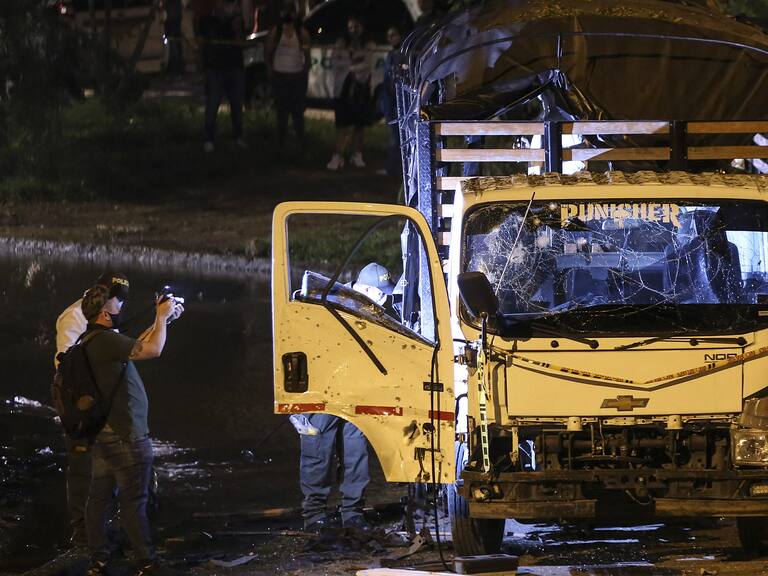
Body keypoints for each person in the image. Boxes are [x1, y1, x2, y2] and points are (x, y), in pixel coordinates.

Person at [81, 284, 183, 575]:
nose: (120, 307)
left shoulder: (92, 339)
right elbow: (152, 350)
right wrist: (161, 320)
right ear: (104, 312)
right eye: (116, 303)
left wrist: (162, 320)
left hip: (105, 433)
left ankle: (98, 560)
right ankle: (147, 562)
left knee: (98, 499)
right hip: (126, 435)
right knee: (134, 501)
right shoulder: (106, 340)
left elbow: (135, 346)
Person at [294, 263, 395, 532]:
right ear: (365, 289)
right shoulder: (323, 303)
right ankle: (314, 516)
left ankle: (352, 513)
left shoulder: (374, 309)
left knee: (356, 453)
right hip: (320, 393)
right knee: (317, 455)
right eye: (381, 294)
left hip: (357, 394)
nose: (384, 300)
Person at [54, 272, 130, 552]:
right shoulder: (74, 317)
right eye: (114, 297)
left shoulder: (108, 319)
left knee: (105, 471)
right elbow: (66, 364)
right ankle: (82, 537)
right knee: (82, 472)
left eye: (121, 299)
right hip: (82, 408)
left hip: (104, 408)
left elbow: (125, 353)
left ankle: (102, 532)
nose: (118, 304)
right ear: (100, 293)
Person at [326, 15, 374, 171]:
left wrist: (351, 66)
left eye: (357, 26)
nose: (354, 30)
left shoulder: (368, 44)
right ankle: (338, 155)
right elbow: (334, 61)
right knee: (342, 124)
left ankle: (357, 154)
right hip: (343, 88)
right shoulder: (341, 43)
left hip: (361, 87)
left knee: (359, 124)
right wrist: (351, 63)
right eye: (351, 27)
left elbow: (367, 64)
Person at [198, 0, 247, 153]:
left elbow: (242, 44)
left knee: (237, 105)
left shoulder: (236, 22)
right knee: (212, 105)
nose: (227, 8)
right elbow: (202, 45)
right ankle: (208, 139)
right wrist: (203, 67)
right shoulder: (207, 21)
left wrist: (237, 29)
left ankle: (237, 137)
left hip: (235, 68)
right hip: (215, 69)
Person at [266, 2, 309, 149]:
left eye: (291, 12)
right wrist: (270, 70)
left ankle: (301, 142)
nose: (288, 15)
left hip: (296, 77)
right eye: (286, 11)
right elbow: (267, 53)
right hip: (280, 77)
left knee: (297, 114)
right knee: (282, 114)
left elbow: (307, 56)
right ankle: (281, 144)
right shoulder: (276, 31)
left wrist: (304, 75)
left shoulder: (301, 32)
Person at [377, 26, 403, 177]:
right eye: (389, 36)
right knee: (393, 135)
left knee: (397, 136)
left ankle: (394, 168)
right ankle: (392, 167)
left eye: (394, 35)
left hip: (397, 100)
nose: (391, 38)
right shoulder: (390, 54)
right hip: (389, 100)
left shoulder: (402, 54)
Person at [162, 0, 185, 76]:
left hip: (173, 21)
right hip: (172, 21)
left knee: (174, 46)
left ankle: (176, 69)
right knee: (173, 45)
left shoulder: (173, 4)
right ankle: (175, 68)